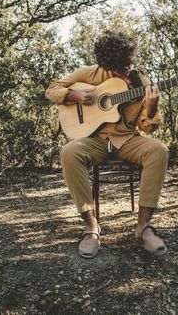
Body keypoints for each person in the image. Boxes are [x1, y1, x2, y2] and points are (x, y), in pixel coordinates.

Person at [45, 30, 169, 258]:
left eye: (128, 64)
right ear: (105, 65)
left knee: (159, 150)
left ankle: (143, 227)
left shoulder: (142, 82)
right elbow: (51, 90)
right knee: (69, 152)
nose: (126, 71)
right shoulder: (89, 74)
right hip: (96, 141)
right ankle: (91, 228)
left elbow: (148, 127)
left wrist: (151, 107)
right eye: (119, 69)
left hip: (128, 140)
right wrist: (74, 96)